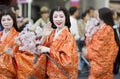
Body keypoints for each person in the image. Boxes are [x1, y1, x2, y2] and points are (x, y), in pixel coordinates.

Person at [37, 6, 78, 79]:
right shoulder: (52, 34)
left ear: (66, 18)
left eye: (61, 16)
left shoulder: (69, 36)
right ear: (52, 19)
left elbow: (67, 60)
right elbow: (40, 52)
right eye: (55, 17)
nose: (58, 19)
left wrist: (48, 50)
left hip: (62, 75)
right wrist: (44, 37)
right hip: (49, 74)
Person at [85, 7, 119, 79]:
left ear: (102, 16)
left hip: (101, 63)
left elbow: (98, 47)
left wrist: (88, 51)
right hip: (103, 63)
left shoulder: (106, 29)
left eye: (97, 14)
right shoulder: (103, 28)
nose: (95, 15)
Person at [0, 7, 19, 79]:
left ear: (13, 20)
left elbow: (27, 56)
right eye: (3, 20)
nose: (6, 22)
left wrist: (13, 54)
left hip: (10, 74)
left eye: (8, 19)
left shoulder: (19, 36)